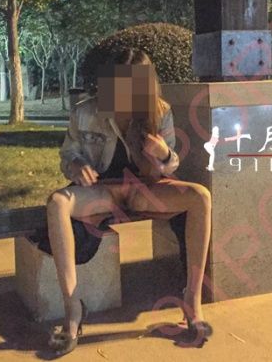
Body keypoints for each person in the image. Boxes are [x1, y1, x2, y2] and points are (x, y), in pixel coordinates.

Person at [45, 48, 213, 357]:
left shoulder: (158, 111)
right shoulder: (86, 111)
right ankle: (72, 310)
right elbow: (68, 154)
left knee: (200, 196)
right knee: (57, 202)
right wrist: (76, 166)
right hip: (103, 191)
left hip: (143, 189)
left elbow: (169, 165)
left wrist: (164, 154)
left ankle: (193, 301)